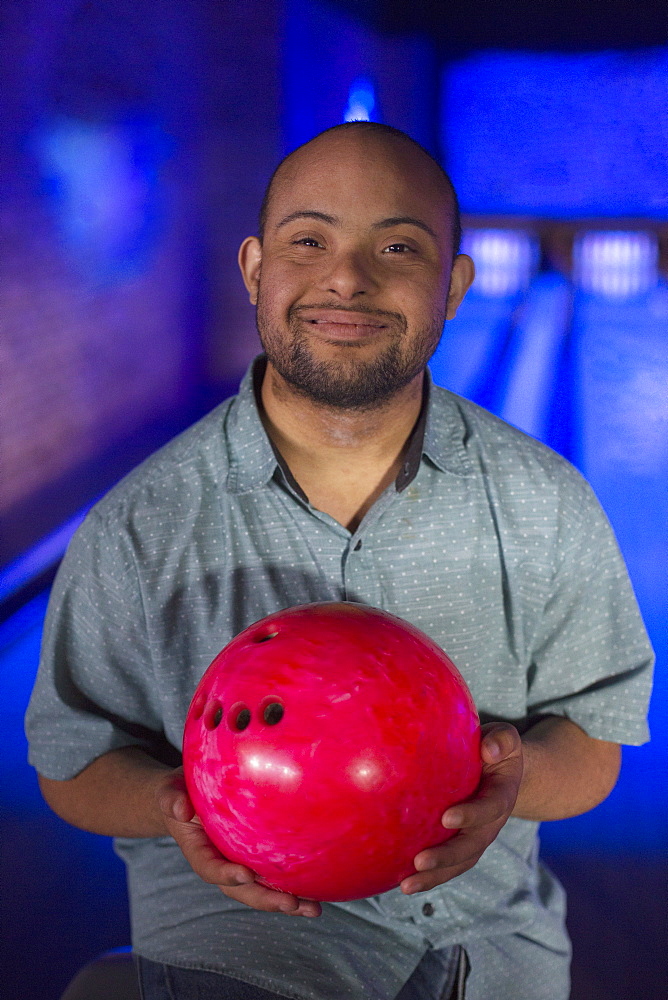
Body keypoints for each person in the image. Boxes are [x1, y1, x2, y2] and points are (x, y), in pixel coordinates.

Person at [25, 122, 653, 1000]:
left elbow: (593, 743)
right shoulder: (140, 525)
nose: (347, 278)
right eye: (308, 241)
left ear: (456, 284)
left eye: (397, 246)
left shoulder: (546, 502)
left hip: (494, 952)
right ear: (255, 269)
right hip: (239, 952)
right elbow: (73, 765)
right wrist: (183, 804)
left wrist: (511, 785)